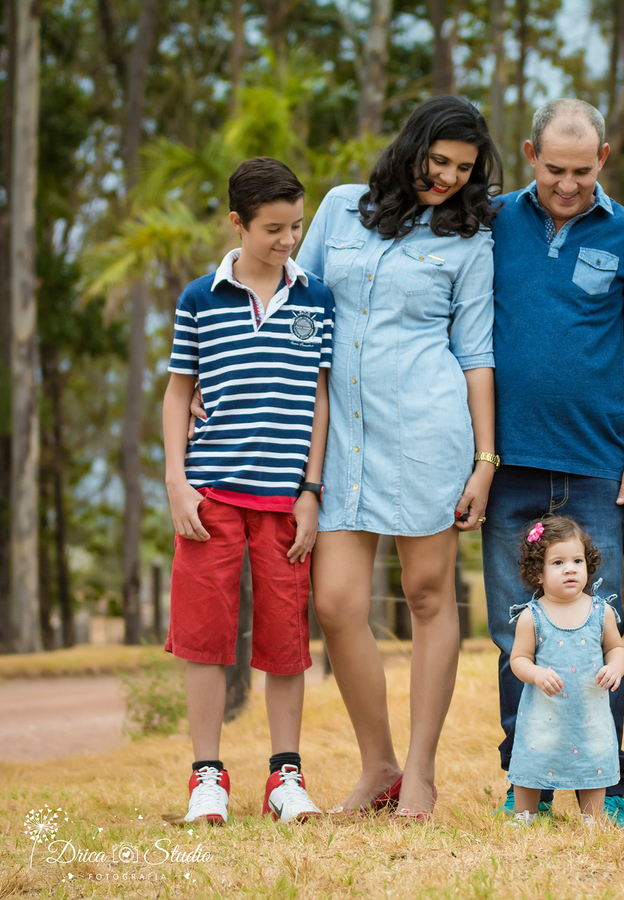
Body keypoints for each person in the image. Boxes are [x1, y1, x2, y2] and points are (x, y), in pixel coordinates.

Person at [295, 95, 500, 820]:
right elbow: (299, 304)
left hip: (427, 431)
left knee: (426, 597)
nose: (445, 177)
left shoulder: (473, 242)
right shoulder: (340, 208)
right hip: (343, 436)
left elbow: (475, 355)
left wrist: (485, 461)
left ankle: (419, 772)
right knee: (338, 603)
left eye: (462, 169)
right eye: (436, 160)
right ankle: (376, 762)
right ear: (410, 146)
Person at [482, 98, 624, 827]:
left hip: (594, 469)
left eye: (582, 171)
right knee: (513, 631)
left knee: (596, 631)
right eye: (554, 170)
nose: (567, 184)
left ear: (605, 159)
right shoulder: (492, 221)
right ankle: (521, 780)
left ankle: (606, 786)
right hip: (508, 466)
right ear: (529, 155)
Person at [163, 157, 333, 825]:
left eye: (296, 225)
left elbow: (319, 397)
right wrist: (177, 481)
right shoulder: (199, 297)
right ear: (236, 223)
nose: (288, 239)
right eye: (272, 229)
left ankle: (285, 778)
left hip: (284, 500)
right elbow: (179, 392)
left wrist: (311, 491)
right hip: (210, 495)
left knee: (286, 639)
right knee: (204, 637)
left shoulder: (315, 296)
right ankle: (207, 776)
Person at [506, 516, 624, 826]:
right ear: (538, 573)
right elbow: (518, 658)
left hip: (589, 710)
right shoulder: (532, 616)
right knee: (534, 755)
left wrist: (615, 666)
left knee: (593, 756)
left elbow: (616, 648)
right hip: (543, 711)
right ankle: (526, 814)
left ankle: (592, 818)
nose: (570, 568)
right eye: (558, 562)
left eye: (577, 560)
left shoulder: (601, 612)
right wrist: (535, 674)